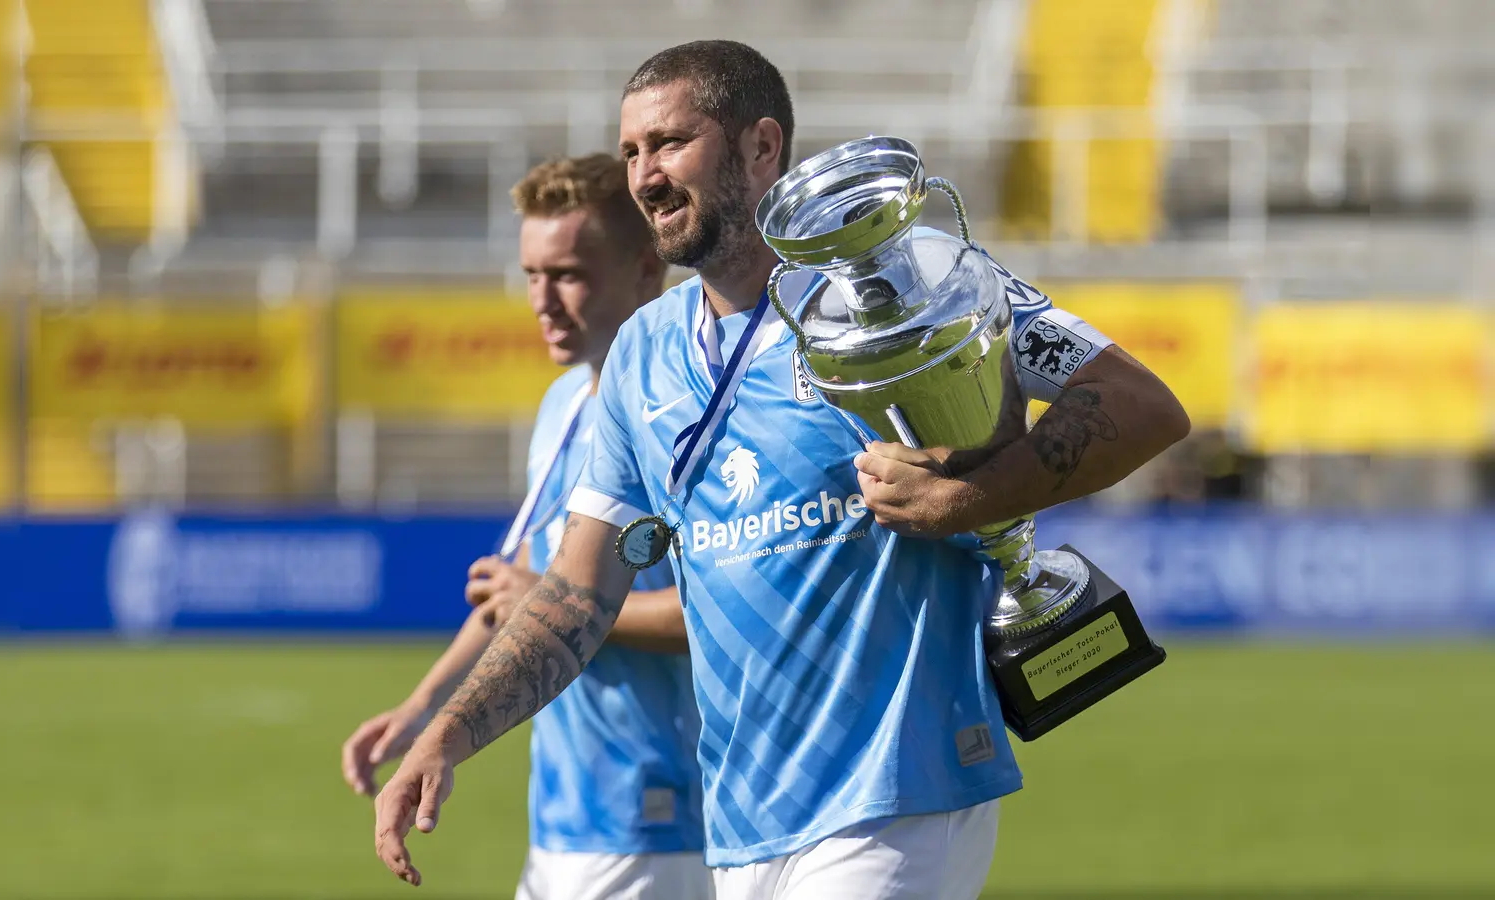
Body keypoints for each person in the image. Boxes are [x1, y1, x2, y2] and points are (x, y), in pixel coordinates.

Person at [373, 40, 1191, 900]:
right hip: (740, 823)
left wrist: (975, 497)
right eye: (630, 151)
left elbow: (1141, 402)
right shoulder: (644, 352)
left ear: (762, 148)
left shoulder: (899, 291)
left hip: (901, 791)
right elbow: (578, 595)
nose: (645, 174)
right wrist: (447, 732)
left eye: (670, 143)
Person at [343, 153, 712, 900]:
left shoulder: (692, 417)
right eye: (531, 275)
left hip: (663, 810)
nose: (542, 300)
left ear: (647, 269)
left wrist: (550, 596)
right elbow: (518, 600)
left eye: (569, 273)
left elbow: (731, 606)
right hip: (562, 816)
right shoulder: (562, 407)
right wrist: (422, 712)